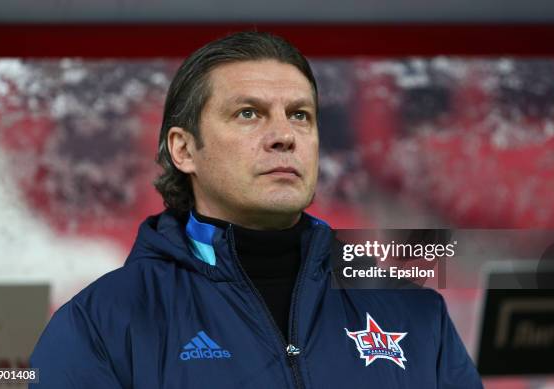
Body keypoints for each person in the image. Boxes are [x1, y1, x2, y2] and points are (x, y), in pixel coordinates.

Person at [30, 31, 483, 388]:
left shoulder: (414, 312)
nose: (284, 135)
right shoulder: (103, 324)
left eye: (300, 114)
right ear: (184, 150)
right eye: (249, 113)